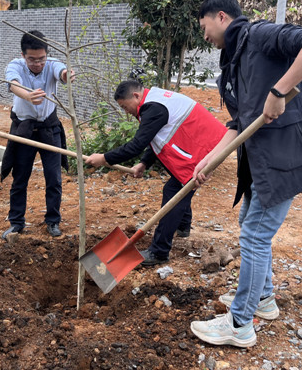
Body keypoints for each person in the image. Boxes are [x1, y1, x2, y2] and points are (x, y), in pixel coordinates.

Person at [190, 0, 302, 347]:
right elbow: (238, 125)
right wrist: (209, 160)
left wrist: (279, 90)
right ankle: (263, 299)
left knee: (255, 235)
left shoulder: (260, 36)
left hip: (284, 156)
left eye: (204, 26)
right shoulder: (231, 66)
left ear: (222, 17)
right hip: (260, 160)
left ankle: (240, 325)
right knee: (250, 224)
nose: (204, 36)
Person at [85, 80, 227, 266]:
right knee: (179, 182)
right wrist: (144, 162)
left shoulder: (153, 108)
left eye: (124, 106)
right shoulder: (155, 101)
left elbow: (136, 146)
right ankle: (183, 226)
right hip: (205, 144)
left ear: (135, 96)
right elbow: (158, 135)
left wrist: (104, 158)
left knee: (175, 192)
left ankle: (159, 251)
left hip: (206, 148)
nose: (125, 111)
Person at [1, 30, 74, 239]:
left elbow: (62, 72)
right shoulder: (15, 65)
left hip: (49, 129)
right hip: (24, 129)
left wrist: (67, 75)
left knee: (54, 178)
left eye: (41, 59)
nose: (37, 64)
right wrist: (28, 95)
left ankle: (53, 221)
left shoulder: (52, 64)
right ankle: (16, 222)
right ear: (23, 55)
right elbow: (13, 84)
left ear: (46, 54)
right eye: (32, 59)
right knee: (20, 177)